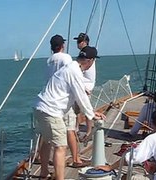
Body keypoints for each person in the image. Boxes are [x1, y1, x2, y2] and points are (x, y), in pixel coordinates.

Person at [34, 45, 105, 180]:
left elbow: (76, 91)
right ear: (90, 61)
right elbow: (81, 96)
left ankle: (43, 173)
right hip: (51, 111)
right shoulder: (75, 71)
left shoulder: (70, 68)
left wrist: (91, 112)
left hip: (40, 107)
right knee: (61, 146)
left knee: (47, 141)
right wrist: (91, 114)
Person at [96, 109, 156, 180]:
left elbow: (131, 158)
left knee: (127, 177)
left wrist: (110, 167)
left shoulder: (153, 138)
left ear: (152, 123)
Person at [46, 35, 92, 168]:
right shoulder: (66, 58)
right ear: (62, 45)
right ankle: (76, 159)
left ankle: (43, 164)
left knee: (48, 136)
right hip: (63, 100)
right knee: (70, 130)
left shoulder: (49, 60)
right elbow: (73, 75)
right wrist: (84, 90)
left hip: (50, 100)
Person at [74, 32, 95, 141]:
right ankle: (77, 129)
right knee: (76, 110)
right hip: (81, 86)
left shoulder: (87, 54)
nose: (77, 44)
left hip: (86, 86)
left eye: (79, 41)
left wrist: (85, 87)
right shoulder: (83, 54)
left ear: (85, 42)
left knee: (87, 110)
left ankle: (88, 132)